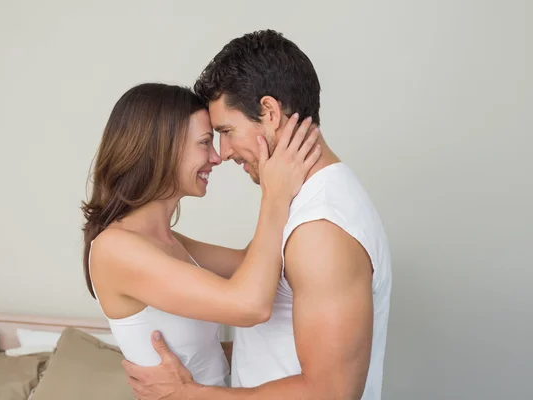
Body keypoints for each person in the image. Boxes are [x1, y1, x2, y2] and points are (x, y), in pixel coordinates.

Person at [122, 30, 392, 400]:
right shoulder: (300, 204)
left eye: (228, 131)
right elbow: (257, 288)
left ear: (269, 112)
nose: (224, 152)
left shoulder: (321, 229)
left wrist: (189, 393)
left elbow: (330, 392)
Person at [81, 82, 321, 388]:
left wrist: (288, 181)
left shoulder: (169, 242)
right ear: (162, 149)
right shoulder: (115, 249)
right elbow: (251, 305)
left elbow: (255, 264)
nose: (216, 157)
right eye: (205, 142)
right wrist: (274, 195)